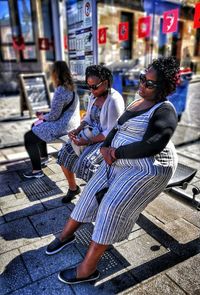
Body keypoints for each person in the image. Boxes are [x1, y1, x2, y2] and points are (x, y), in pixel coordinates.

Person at [46, 56, 179, 285]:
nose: (142, 85)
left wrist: (115, 153)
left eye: (149, 83)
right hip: (118, 159)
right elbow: (115, 128)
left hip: (148, 168)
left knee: (111, 206)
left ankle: (87, 269)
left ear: (164, 88)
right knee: (89, 193)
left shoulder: (165, 110)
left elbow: (153, 143)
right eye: (142, 79)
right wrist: (107, 146)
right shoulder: (136, 102)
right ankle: (66, 235)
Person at [57, 64, 125, 203]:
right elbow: (87, 118)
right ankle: (73, 188)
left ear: (105, 83)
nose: (91, 90)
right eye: (89, 86)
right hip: (90, 135)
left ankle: (98, 199)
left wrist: (86, 142)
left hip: (106, 140)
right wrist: (77, 130)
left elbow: (111, 131)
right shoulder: (93, 96)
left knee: (87, 163)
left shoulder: (114, 100)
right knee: (64, 153)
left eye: (94, 86)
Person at [23, 61, 80, 179]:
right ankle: (43, 157)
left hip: (62, 126)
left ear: (55, 73)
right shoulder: (72, 87)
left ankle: (37, 170)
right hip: (71, 123)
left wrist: (42, 116)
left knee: (29, 137)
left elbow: (54, 116)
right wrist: (44, 117)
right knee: (37, 126)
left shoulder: (61, 90)